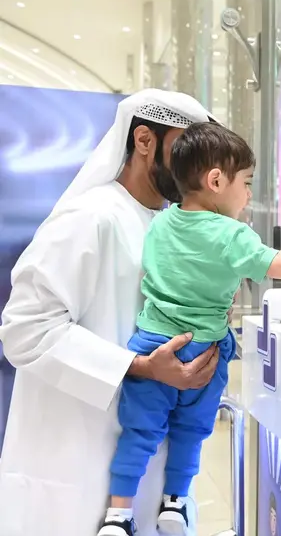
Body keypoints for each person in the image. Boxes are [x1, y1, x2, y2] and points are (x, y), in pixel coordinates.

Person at [0, 90, 220, 536]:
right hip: (77, 466)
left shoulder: (168, 225)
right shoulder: (90, 217)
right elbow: (24, 329)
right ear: (144, 140)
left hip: (148, 462)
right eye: (187, 151)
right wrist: (139, 367)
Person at [98, 122, 281, 536]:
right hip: (204, 350)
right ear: (216, 180)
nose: (247, 193)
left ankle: (117, 516)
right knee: (190, 432)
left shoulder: (161, 222)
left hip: (153, 342)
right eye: (246, 182)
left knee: (138, 432)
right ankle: (175, 503)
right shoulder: (231, 234)